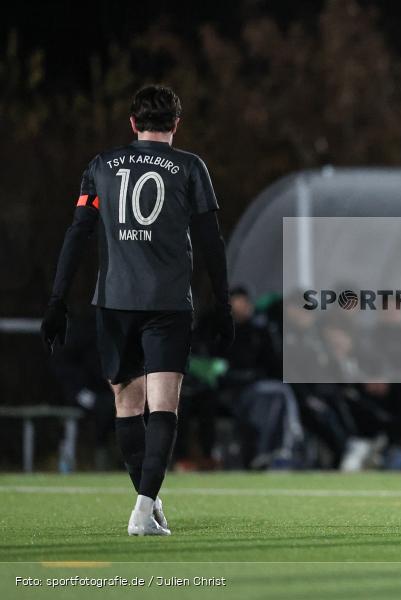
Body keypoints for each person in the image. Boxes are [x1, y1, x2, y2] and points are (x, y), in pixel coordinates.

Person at [40, 85, 234, 536]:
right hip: (167, 304)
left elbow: (78, 233)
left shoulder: (101, 167)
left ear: (133, 123)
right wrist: (222, 303)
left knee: (127, 405)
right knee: (164, 404)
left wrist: (56, 301)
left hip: (114, 302)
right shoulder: (189, 167)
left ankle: (146, 502)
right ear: (177, 124)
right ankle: (146, 506)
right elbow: (211, 240)